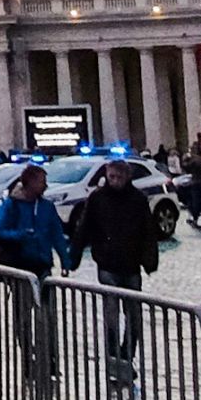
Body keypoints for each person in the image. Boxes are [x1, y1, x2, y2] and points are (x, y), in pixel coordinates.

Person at [68, 160, 160, 377]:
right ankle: (114, 360)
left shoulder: (138, 199)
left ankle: (126, 357)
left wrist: (149, 260)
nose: (115, 181)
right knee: (111, 315)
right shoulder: (97, 198)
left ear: (127, 177)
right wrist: (73, 258)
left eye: (119, 177)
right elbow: (84, 228)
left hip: (131, 264)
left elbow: (148, 231)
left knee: (134, 316)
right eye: (112, 177)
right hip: (107, 263)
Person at [0, 163, 71, 280]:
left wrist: (65, 260)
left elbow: (56, 235)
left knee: (45, 296)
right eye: (41, 182)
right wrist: (20, 235)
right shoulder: (12, 204)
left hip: (43, 263)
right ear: (30, 182)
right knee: (24, 296)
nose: (45, 185)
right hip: (19, 263)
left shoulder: (47, 206)